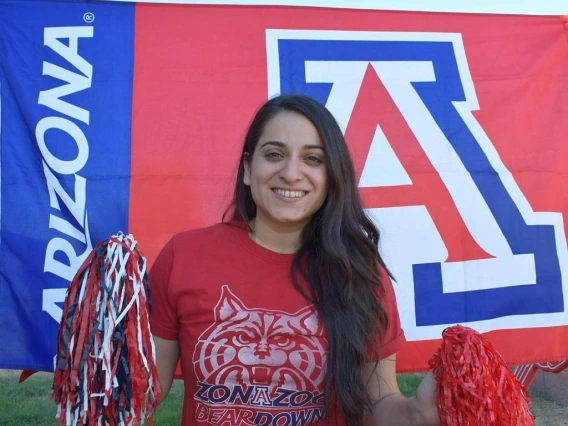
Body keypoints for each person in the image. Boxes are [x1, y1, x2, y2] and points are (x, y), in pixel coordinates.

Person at [149, 94, 440, 426]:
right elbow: (143, 394)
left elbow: (378, 404)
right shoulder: (184, 256)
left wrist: (418, 413)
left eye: (313, 159)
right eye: (274, 154)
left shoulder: (360, 273)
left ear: (332, 176)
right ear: (248, 169)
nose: (291, 173)